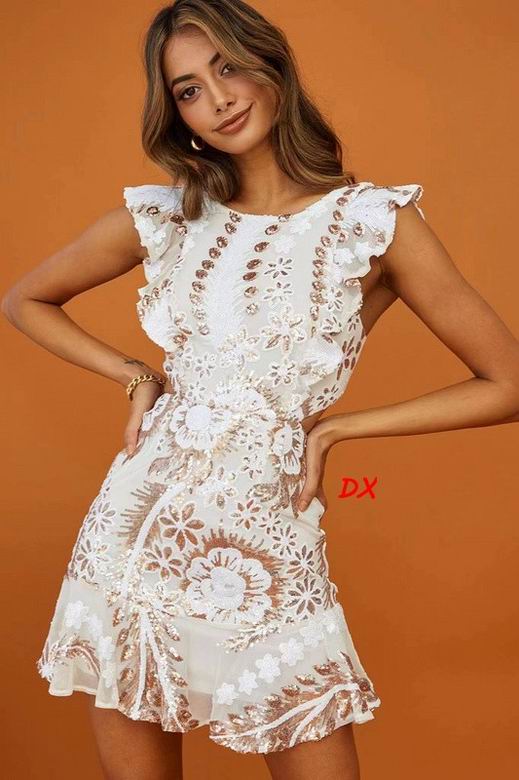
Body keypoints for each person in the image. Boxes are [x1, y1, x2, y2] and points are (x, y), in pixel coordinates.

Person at [3, 1, 519, 778]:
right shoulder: (168, 217)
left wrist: (335, 429)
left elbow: (505, 383)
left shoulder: (371, 223)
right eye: (187, 89)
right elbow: (25, 300)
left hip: (264, 538)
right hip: (136, 533)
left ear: (270, 64)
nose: (217, 98)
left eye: (228, 67)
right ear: (176, 115)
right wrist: (136, 375)